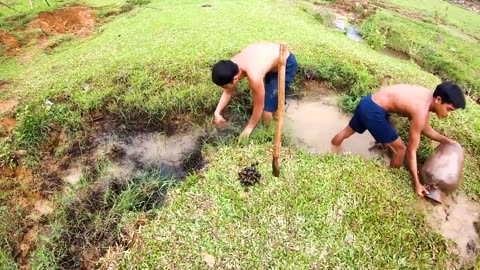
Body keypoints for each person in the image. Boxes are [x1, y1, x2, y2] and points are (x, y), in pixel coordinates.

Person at [331, 81, 465, 197]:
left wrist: (445, 140)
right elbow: (411, 151)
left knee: (347, 131)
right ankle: (391, 177)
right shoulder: (421, 111)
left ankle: (331, 151)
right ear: (439, 100)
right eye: (449, 109)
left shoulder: (428, 96)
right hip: (374, 111)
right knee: (400, 150)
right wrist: (417, 183)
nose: (447, 114)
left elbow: (424, 128)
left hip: (368, 102)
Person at [211, 42, 297, 138]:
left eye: (225, 86)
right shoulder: (231, 66)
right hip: (269, 62)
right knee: (272, 100)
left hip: (285, 63)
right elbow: (228, 91)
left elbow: (259, 105)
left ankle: (268, 133)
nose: (225, 89)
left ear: (235, 79)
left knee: (267, 108)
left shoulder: (254, 76)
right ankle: (275, 121)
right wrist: (217, 112)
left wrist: (249, 128)